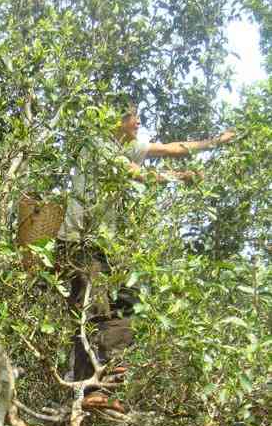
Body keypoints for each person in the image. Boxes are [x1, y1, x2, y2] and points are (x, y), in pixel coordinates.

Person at [58, 97, 235, 388]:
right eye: (132, 118)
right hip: (79, 242)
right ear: (116, 121)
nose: (138, 123)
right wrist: (182, 178)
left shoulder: (128, 146)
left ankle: (110, 373)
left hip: (105, 244)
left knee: (128, 298)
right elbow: (138, 175)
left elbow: (171, 149)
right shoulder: (98, 144)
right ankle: (87, 384)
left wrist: (216, 141)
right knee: (93, 308)